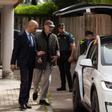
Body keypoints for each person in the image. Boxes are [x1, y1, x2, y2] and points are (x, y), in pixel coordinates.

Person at [10, 20, 39, 111]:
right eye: (35, 28)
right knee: (25, 82)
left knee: (29, 83)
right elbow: (16, 50)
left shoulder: (33, 37)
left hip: (31, 64)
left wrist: (38, 55)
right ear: (30, 26)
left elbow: (33, 50)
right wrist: (13, 62)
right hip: (23, 63)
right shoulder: (20, 36)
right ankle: (22, 102)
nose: (36, 29)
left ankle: (26, 101)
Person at [32, 20, 60, 106]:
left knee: (47, 80)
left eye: (52, 27)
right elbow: (33, 49)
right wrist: (37, 56)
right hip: (39, 62)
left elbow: (57, 49)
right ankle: (36, 90)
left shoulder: (54, 37)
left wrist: (57, 55)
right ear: (45, 26)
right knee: (36, 80)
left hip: (49, 62)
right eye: (49, 26)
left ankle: (42, 98)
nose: (51, 28)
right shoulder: (37, 36)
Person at [56, 23, 75, 92]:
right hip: (60, 55)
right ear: (58, 29)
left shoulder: (68, 35)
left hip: (67, 55)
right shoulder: (57, 36)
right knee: (61, 71)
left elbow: (73, 46)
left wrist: (71, 56)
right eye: (61, 28)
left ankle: (71, 87)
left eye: (63, 28)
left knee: (67, 71)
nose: (62, 29)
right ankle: (63, 86)